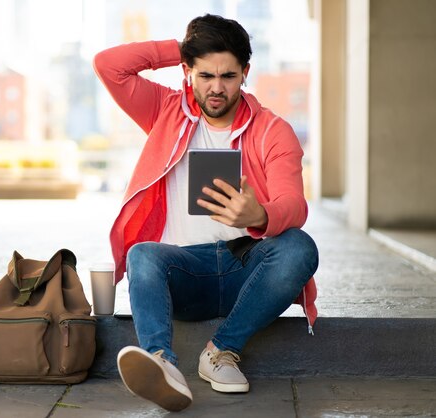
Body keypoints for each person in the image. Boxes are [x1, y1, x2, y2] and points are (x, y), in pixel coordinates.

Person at [93, 14, 319, 412]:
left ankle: (220, 352)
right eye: (205, 75)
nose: (217, 88)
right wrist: (181, 48)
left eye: (229, 76)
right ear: (187, 71)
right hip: (183, 273)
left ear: (246, 73)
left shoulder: (272, 130)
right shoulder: (164, 111)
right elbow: (108, 64)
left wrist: (260, 215)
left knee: (300, 247)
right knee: (142, 253)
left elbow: (295, 205)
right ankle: (161, 364)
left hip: (244, 270)